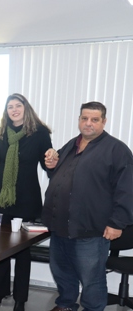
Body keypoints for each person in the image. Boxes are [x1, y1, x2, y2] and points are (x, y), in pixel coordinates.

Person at [0, 94, 55, 311]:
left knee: (22, 251)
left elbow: (47, 167)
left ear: (26, 108)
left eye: (18, 106)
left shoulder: (40, 133)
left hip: (26, 198)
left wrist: (53, 159)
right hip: (0, 197)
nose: (14, 110)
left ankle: (20, 299)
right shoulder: (3, 132)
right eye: (9, 107)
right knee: (0, 248)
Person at [43, 101, 133, 311]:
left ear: (104, 122)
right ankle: (65, 305)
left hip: (91, 229)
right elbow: (59, 175)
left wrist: (117, 223)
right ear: (79, 120)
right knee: (62, 272)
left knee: (91, 278)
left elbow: (127, 190)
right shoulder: (71, 145)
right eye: (84, 118)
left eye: (94, 119)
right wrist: (52, 165)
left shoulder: (116, 150)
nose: (88, 123)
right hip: (60, 225)